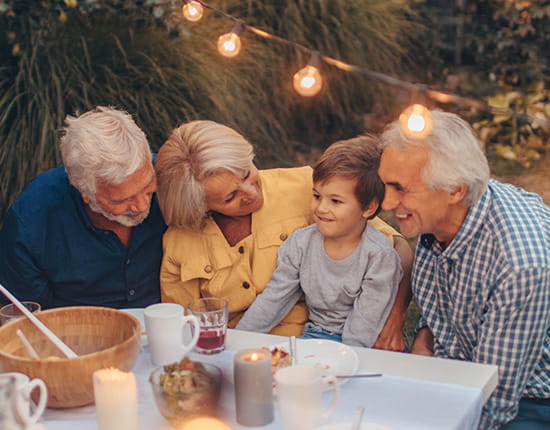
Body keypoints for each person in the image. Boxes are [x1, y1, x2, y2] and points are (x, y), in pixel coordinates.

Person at [156, 120, 412, 349]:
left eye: (247, 173)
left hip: (320, 339)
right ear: (200, 205)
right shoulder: (180, 242)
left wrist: (394, 316)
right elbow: (185, 326)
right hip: (237, 346)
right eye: (230, 197)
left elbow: (396, 248)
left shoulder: (307, 187)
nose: (251, 193)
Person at [377, 109, 550, 429]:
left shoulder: (520, 266)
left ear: (455, 189)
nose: (387, 203)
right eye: (386, 184)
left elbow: (493, 400)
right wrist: (424, 337)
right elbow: (441, 304)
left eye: (401, 188)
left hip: (528, 400)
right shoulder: (444, 212)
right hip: (455, 366)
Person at [235, 136, 402, 347]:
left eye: (335, 201)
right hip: (315, 335)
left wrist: (347, 358)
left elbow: (367, 320)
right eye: (317, 196)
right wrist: (239, 340)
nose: (321, 208)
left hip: (366, 343)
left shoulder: (379, 256)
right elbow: (275, 298)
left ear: (368, 207)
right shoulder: (300, 244)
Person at [0, 106, 167, 309]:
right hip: (77, 334)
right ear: (85, 193)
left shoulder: (174, 180)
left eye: (148, 187)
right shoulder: (31, 222)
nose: (142, 206)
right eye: (121, 200)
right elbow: (26, 317)